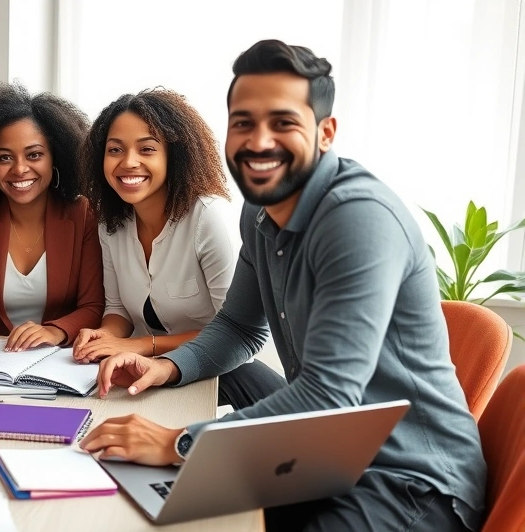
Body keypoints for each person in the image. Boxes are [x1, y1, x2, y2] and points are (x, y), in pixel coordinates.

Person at [79, 40, 486, 531]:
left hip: (409, 481)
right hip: (324, 457)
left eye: (283, 122)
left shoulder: (359, 220)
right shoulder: (259, 213)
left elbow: (328, 396)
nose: (259, 141)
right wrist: (165, 366)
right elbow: (237, 327)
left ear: (325, 132)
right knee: (154, 508)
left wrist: (179, 442)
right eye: (243, 123)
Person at [72, 89, 285, 406]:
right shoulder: (110, 222)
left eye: (147, 149)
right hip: (151, 371)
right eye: (115, 149)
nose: (128, 162)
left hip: (227, 374)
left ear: (174, 155)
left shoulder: (206, 217)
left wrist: (142, 345)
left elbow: (234, 331)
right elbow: (118, 309)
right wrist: (107, 336)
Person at [0, 82, 103, 352]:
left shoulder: (82, 214)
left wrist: (54, 331)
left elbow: (94, 306)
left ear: (55, 157)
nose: (20, 169)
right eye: (4, 158)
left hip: (62, 358)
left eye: (34, 155)